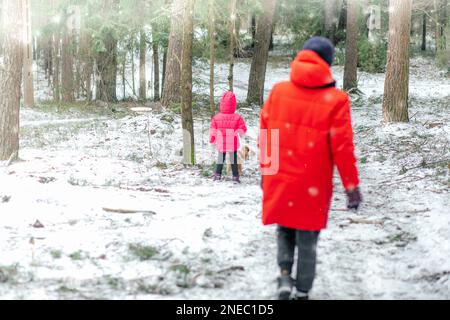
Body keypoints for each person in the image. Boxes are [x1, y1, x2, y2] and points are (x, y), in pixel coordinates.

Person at [259, 37, 362, 300]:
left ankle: (284, 275)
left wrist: (266, 171)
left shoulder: (279, 91)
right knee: (307, 238)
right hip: (312, 184)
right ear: (327, 63)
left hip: (280, 177)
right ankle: (303, 291)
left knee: (284, 228)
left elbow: (267, 135)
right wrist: (351, 186)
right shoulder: (336, 99)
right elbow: (343, 148)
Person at [210, 91, 247, 183]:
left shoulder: (216, 117)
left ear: (222, 104)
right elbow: (243, 129)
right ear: (234, 104)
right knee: (233, 159)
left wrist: (212, 139)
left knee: (220, 158)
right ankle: (235, 176)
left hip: (221, 142)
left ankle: (217, 175)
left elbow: (213, 130)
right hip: (232, 143)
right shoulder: (237, 117)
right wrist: (240, 133)